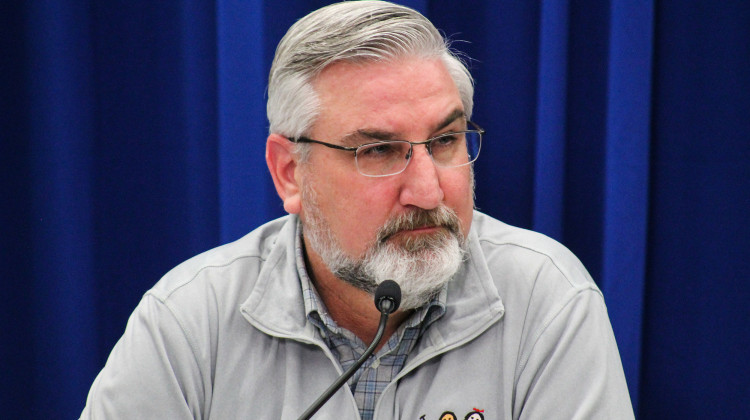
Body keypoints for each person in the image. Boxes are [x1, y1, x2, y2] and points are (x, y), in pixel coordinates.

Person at [80, 1, 634, 419]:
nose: (427, 190)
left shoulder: (548, 301)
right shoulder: (189, 321)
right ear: (290, 173)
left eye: (445, 141)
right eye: (378, 151)